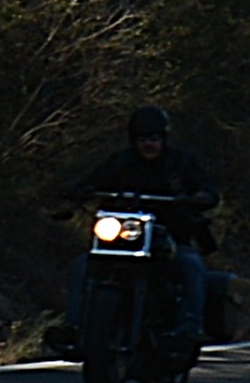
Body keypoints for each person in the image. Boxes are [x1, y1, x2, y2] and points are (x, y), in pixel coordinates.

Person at [52, 103, 222, 350]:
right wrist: (76, 191)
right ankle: (74, 327)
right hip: (121, 241)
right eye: (143, 139)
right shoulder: (120, 162)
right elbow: (92, 180)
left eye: (154, 139)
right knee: (82, 265)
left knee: (192, 266)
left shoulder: (179, 163)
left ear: (163, 139)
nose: (148, 144)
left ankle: (189, 328)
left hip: (170, 237)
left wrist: (199, 198)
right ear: (134, 140)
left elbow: (207, 189)